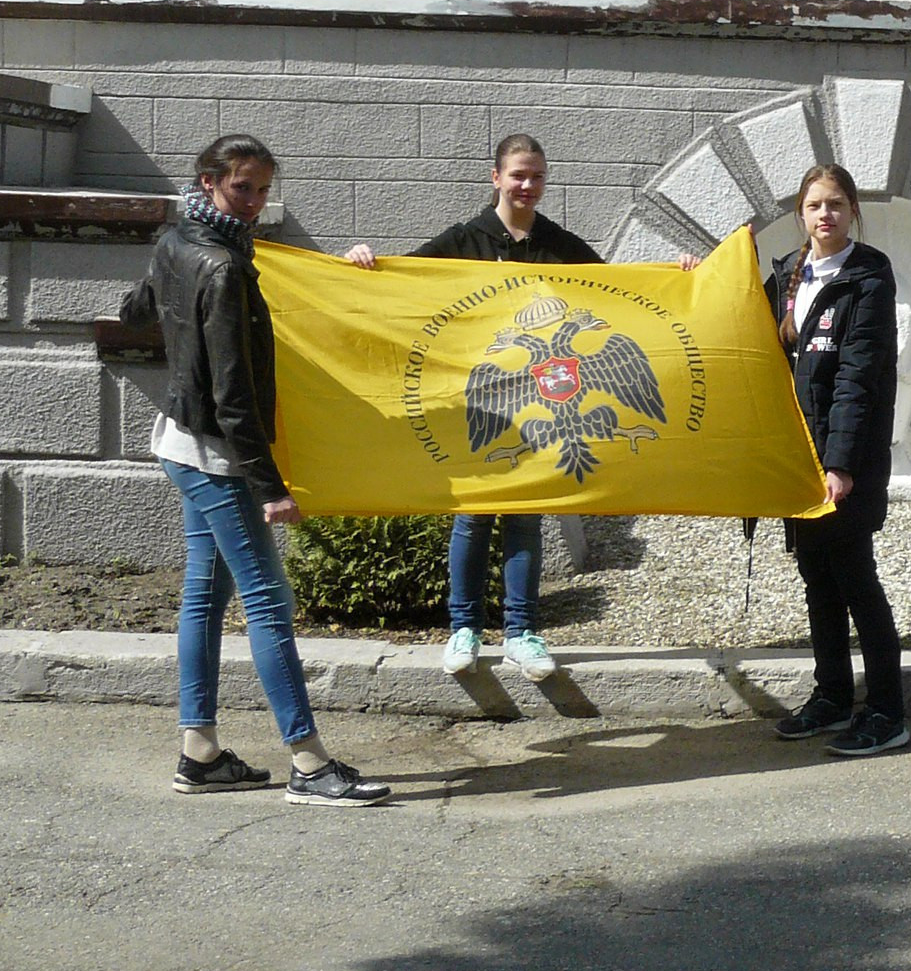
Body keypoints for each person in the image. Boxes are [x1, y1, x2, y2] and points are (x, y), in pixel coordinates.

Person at [126, 135, 387, 806]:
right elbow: (234, 394)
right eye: (243, 188)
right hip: (218, 457)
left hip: (182, 442)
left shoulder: (179, 240)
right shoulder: (223, 267)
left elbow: (138, 310)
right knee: (269, 602)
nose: (254, 202)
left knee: (206, 597)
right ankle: (308, 762)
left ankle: (200, 753)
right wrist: (269, 487)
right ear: (209, 182)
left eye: (264, 189)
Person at [345, 132, 601, 683]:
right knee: (473, 514)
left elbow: (620, 289)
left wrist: (683, 276)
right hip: (477, 400)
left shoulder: (559, 245)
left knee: (525, 516)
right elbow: (403, 284)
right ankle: (463, 628)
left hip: (537, 403)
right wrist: (363, 264)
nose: (527, 185)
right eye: (517, 175)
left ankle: (521, 633)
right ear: (495, 178)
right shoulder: (465, 239)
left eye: (536, 176)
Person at [767, 165, 908, 758]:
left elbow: (858, 378)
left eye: (836, 204)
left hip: (842, 463)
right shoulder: (785, 277)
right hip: (796, 458)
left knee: (855, 581)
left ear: (852, 211)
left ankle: (886, 711)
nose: (825, 215)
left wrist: (842, 466)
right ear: (801, 214)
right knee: (817, 581)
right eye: (814, 205)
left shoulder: (868, 279)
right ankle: (830, 696)